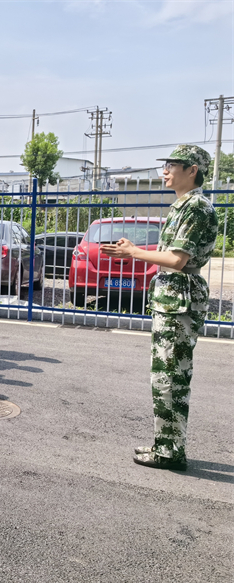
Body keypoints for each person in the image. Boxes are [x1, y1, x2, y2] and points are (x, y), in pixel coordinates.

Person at [100, 145, 218, 471]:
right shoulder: (183, 205)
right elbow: (170, 253)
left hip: (180, 300)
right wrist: (134, 249)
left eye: (171, 165)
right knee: (164, 376)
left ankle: (170, 452)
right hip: (172, 299)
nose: (165, 170)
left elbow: (177, 260)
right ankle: (165, 444)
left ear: (192, 170)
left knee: (171, 379)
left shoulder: (196, 208)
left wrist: (134, 253)